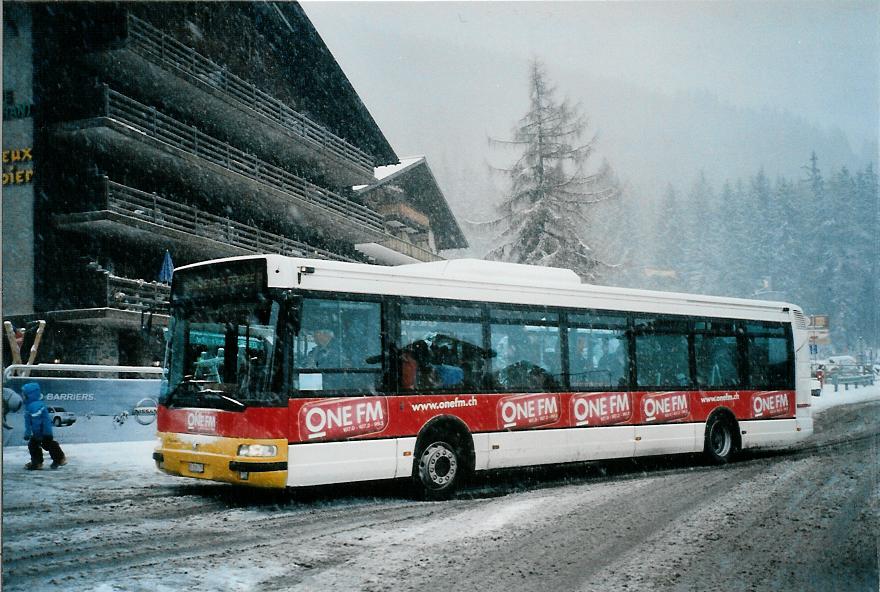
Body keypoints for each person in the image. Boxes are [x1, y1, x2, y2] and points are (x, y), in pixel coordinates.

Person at [21, 382, 67, 470]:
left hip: (43, 431)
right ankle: (57, 459)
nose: (22, 396)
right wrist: (28, 433)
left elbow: (36, 421)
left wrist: (37, 433)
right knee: (40, 444)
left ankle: (44, 461)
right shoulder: (30, 405)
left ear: (30, 395)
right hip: (41, 431)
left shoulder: (35, 406)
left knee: (44, 444)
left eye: (24, 394)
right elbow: (28, 422)